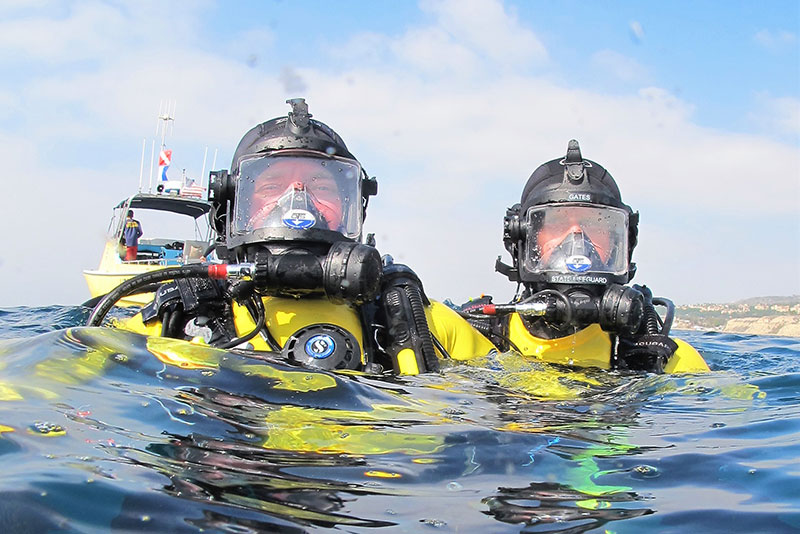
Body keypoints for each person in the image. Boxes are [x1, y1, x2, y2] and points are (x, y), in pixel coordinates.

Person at [99, 98, 496, 374]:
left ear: (353, 207)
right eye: (272, 187)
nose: (297, 205)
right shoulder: (181, 316)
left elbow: (508, 402)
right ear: (231, 206)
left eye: (321, 187)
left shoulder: (416, 317)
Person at [457, 140, 709, 374]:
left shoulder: (669, 361)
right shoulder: (472, 337)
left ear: (622, 243)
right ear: (520, 240)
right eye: (557, 224)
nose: (577, 240)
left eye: (595, 225)